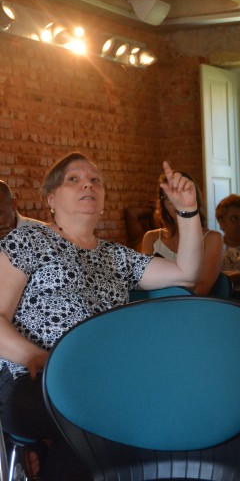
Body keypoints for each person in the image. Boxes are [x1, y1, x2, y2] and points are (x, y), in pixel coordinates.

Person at [0, 152, 203, 480]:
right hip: (34, 377)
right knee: (100, 417)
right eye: (74, 179)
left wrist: (187, 211)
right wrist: (37, 356)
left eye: (96, 181)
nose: (88, 185)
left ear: (104, 200)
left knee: (169, 405)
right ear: (51, 199)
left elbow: (187, 272)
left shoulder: (117, 256)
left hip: (104, 379)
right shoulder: (28, 240)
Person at [141, 171, 223, 295]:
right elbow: (144, 285)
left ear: (194, 197)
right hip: (157, 306)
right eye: (169, 197)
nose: (176, 202)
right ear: (163, 204)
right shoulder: (151, 237)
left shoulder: (213, 238)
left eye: (181, 193)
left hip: (194, 307)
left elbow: (202, 289)